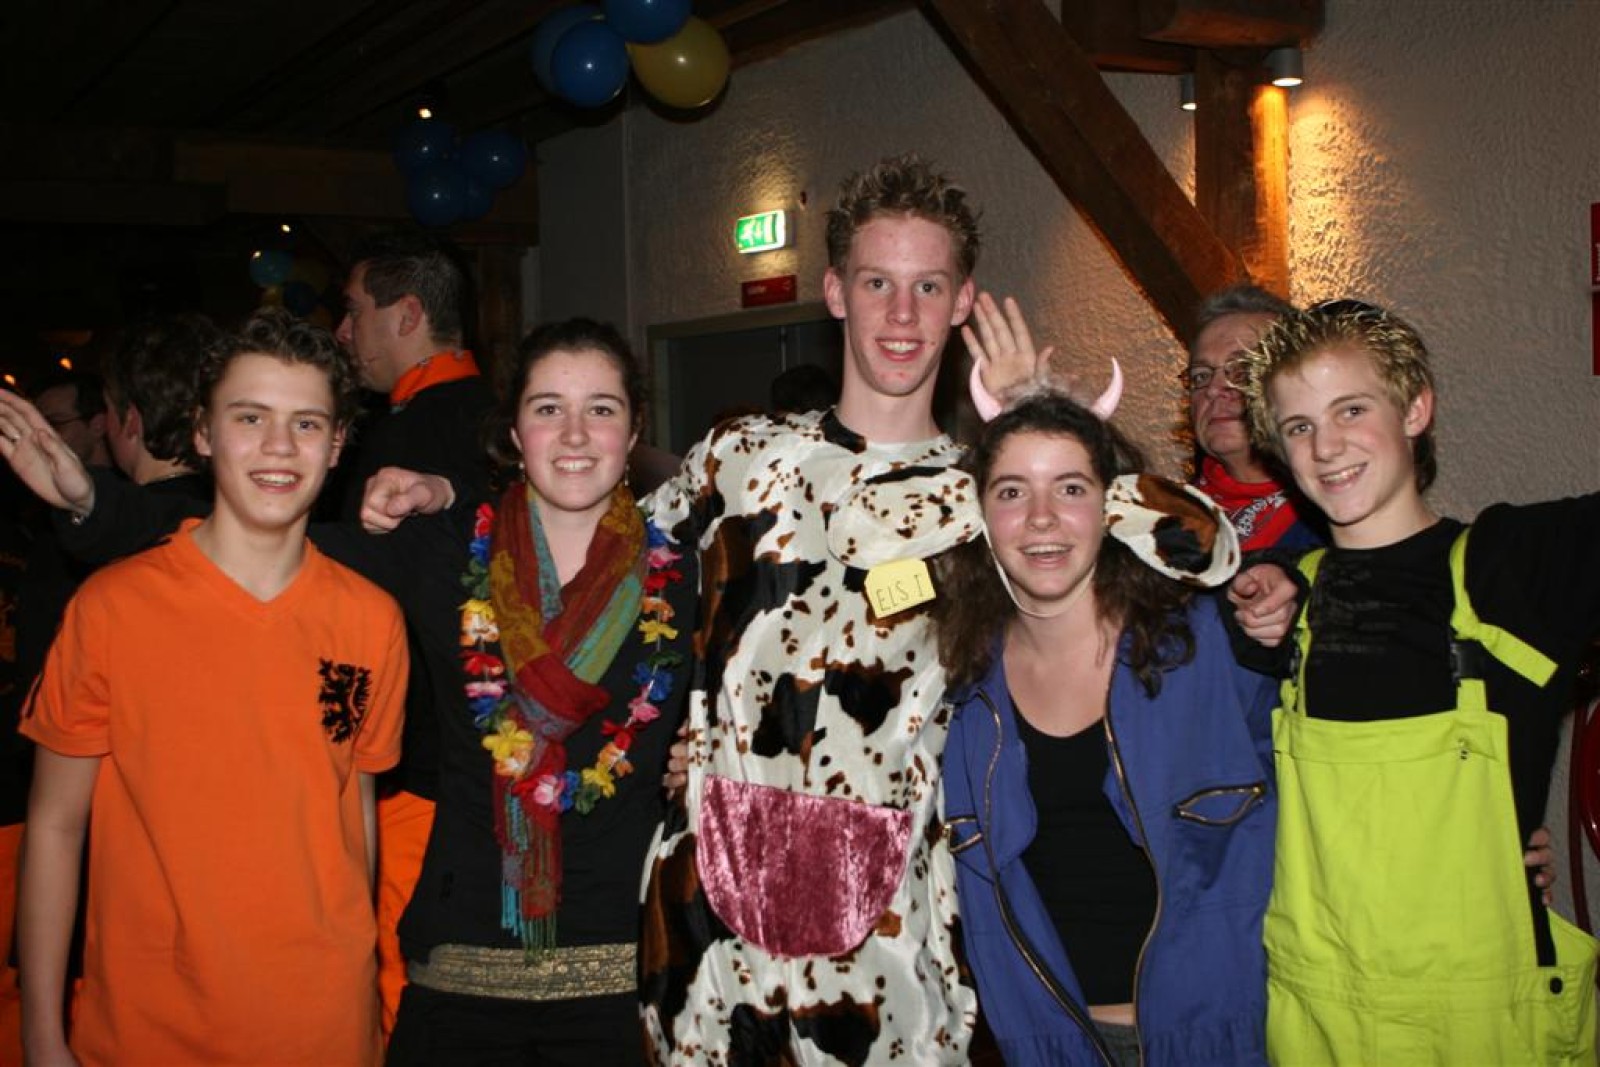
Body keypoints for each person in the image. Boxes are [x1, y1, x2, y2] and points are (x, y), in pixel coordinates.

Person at [6, 308, 408, 1066]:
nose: (279, 447)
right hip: (149, 1027)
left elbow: (354, 811)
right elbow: (55, 826)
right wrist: (41, 1035)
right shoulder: (113, 608)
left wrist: (363, 1004)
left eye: (307, 423)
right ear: (202, 432)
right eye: (250, 417)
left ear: (337, 445)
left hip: (324, 1026)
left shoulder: (372, 619)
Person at [1239, 300, 1600, 1064]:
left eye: (1352, 409)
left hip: (1483, 1021)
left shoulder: (1511, 567)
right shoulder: (1284, 606)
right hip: (1318, 1016)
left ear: (1415, 409)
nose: (1325, 446)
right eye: (1299, 425)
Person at [375, 319, 697, 1064]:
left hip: (623, 982)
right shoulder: (441, 551)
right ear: (516, 433)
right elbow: (273, 557)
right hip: (459, 978)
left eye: (601, 409)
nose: (575, 434)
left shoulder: (689, 580)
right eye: (549, 408)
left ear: (634, 432)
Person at [936, 393, 1277, 1066]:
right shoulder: (955, 688)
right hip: (1046, 1043)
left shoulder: (1209, 646)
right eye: (1012, 491)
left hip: (1221, 1036)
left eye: (1070, 487)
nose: (1041, 517)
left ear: (1115, 506)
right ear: (978, 515)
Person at [334, 228, 496, 1036]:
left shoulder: (408, 440)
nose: (342, 332)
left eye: (352, 311)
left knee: (406, 988)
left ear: (405, 315)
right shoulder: (499, 417)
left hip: (417, 769)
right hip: (482, 769)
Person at [1183, 285, 1321, 551]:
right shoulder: (1161, 519)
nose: (1213, 389)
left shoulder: (1340, 514)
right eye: (1201, 375)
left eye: (1244, 370)